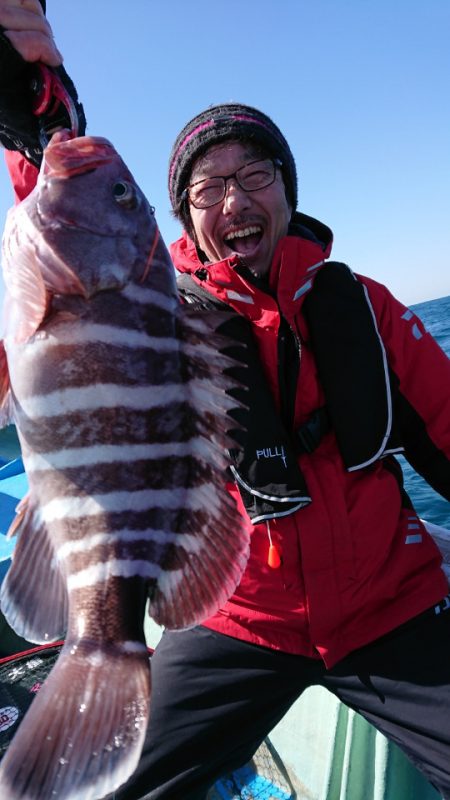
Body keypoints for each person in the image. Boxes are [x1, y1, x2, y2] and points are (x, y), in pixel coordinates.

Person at [1, 3, 450, 800]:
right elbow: (70, 260)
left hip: (391, 605)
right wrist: (32, 137)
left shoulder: (368, 307)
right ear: (183, 218)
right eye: (209, 187)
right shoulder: (159, 310)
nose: (235, 201)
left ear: (286, 189)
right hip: (240, 619)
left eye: (255, 176)